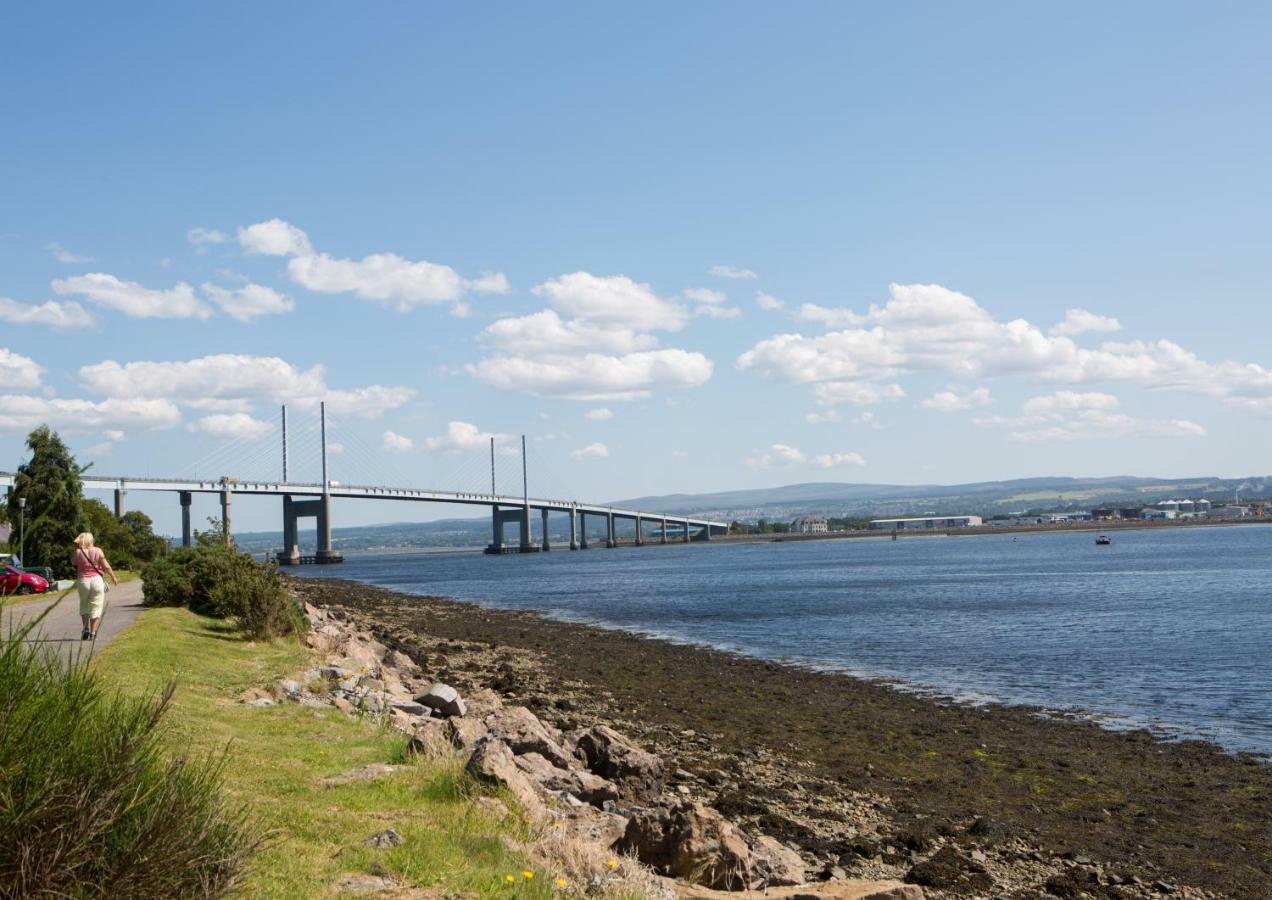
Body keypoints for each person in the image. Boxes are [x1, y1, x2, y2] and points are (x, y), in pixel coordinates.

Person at [72, 532, 118, 641]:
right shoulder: (98, 551)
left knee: (84, 606)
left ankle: (85, 629)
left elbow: (73, 562)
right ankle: (93, 632)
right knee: (96, 607)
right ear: (91, 540)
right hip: (97, 580)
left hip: (83, 581)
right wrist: (113, 577)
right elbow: (106, 566)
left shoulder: (78, 552)